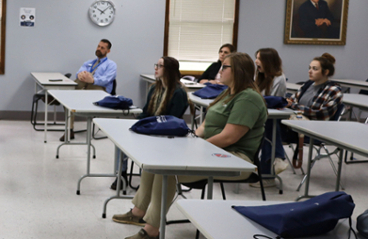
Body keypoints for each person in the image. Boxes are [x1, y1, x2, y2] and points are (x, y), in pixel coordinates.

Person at [113, 52, 266, 239]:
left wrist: (197, 148)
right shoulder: (229, 92)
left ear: (238, 71)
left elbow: (228, 137)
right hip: (212, 151)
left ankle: (151, 231)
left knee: (166, 173)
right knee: (155, 162)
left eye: (224, 66)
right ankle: (138, 212)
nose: (220, 70)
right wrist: (192, 138)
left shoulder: (248, 98)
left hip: (234, 158)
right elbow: (205, 126)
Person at [113, 56, 188, 190]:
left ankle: (149, 178)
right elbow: (146, 112)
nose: (155, 68)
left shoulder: (178, 93)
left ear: (169, 70)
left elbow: (172, 122)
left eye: (160, 66)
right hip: (152, 129)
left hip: (166, 134)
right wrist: (135, 125)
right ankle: (122, 174)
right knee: (121, 137)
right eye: (156, 65)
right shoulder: (155, 88)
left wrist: (148, 128)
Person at [61, 39, 117, 141]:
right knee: (70, 93)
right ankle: (69, 130)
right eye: (98, 46)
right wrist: (81, 75)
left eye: (102, 48)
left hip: (100, 90)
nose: (99, 49)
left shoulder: (111, 64)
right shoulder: (89, 62)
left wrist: (93, 80)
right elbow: (79, 72)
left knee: (84, 82)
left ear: (108, 51)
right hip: (84, 87)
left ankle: (59, 97)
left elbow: (106, 79)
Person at [253, 48, 288, 187]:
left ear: (268, 61)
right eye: (256, 58)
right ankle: (278, 158)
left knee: (268, 129)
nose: (256, 61)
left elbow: (273, 101)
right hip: (261, 116)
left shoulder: (279, 79)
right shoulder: (260, 77)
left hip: (274, 118)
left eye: (259, 59)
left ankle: (268, 176)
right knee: (268, 129)